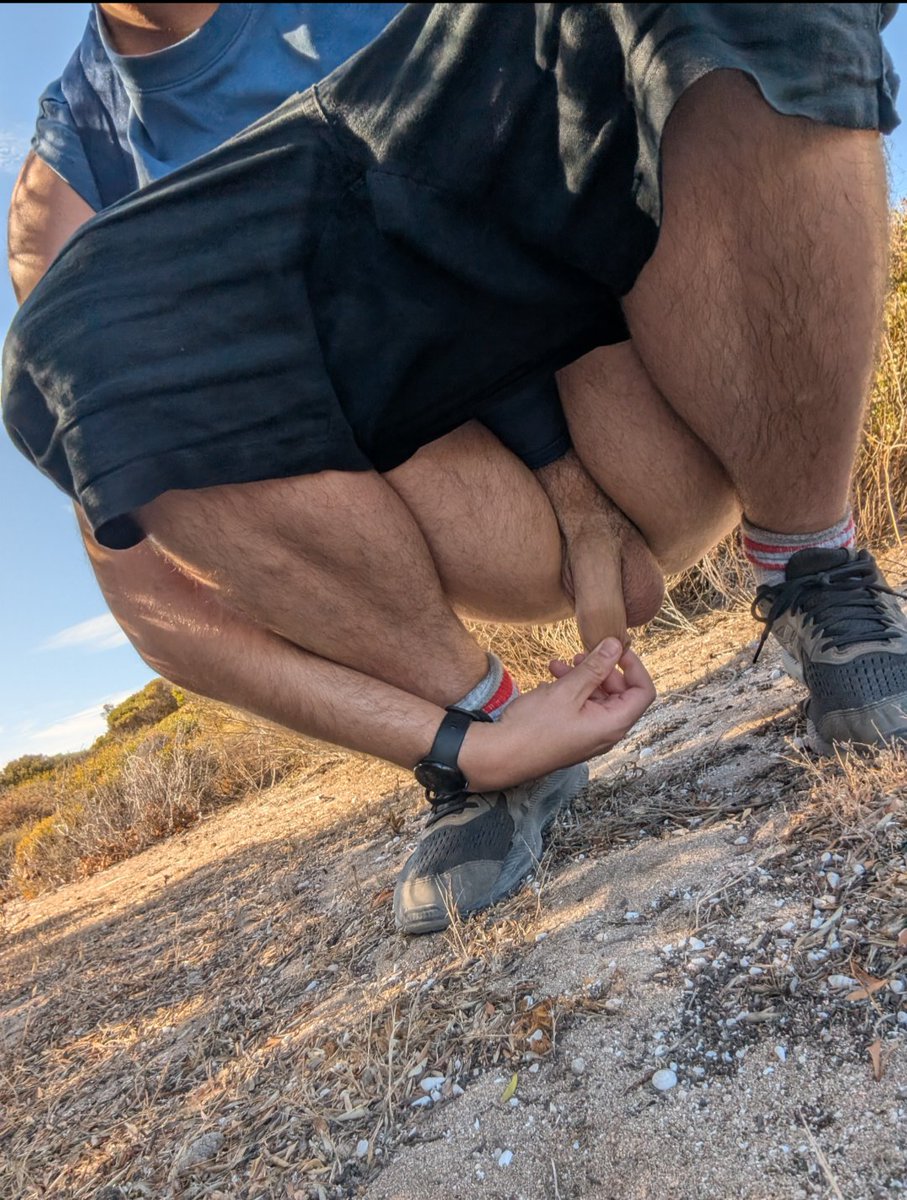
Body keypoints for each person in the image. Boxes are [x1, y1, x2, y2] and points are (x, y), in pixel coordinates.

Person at [5, 4, 906, 936]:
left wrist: (576, 480)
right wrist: (459, 747)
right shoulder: (70, 173)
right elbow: (140, 565)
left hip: (651, 382)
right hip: (461, 501)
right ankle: (491, 736)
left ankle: (817, 566)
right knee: (78, 337)